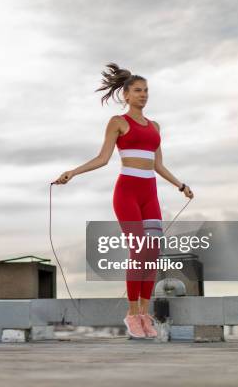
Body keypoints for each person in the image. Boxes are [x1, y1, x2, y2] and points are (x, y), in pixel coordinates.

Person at [52, 63, 194, 339]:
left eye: (146, 91)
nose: (143, 95)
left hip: (149, 193)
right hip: (127, 192)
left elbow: (158, 165)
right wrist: (73, 172)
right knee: (138, 250)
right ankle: (131, 314)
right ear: (126, 95)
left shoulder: (155, 127)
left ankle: (144, 313)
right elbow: (102, 158)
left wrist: (181, 185)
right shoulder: (118, 122)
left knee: (152, 253)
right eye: (138, 90)